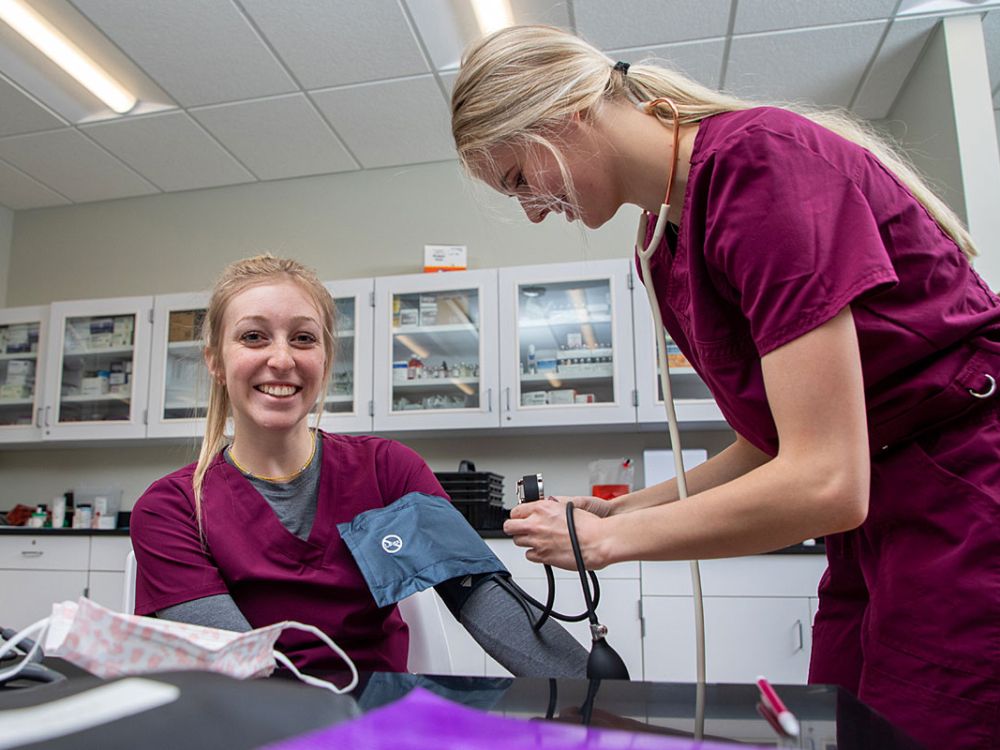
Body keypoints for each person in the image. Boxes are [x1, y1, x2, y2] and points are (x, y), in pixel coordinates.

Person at [451, 24, 1000, 749]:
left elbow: (827, 481)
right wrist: (622, 510)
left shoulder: (759, 165)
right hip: (875, 528)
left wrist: (608, 542)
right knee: (836, 726)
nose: (529, 209)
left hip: (963, 491)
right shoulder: (661, 243)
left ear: (565, 112)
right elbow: (771, 444)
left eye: (520, 178)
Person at [130, 254, 586, 679]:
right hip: (256, 721)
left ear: (325, 360)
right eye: (253, 336)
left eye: (304, 338)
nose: (282, 359)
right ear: (215, 361)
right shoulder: (172, 508)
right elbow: (238, 668)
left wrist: (598, 696)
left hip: (383, 719)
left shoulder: (386, 472)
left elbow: (484, 599)